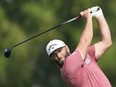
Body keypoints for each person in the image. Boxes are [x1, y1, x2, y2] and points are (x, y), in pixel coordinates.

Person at [46, 6, 112, 87]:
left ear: (66, 47)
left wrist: (99, 15)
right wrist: (88, 19)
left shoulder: (84, 55)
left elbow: (106, 42)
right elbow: (86, 41)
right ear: (51, 59)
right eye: (54, 55)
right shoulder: (68, 67)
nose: (58, 56)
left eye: (59, 51)